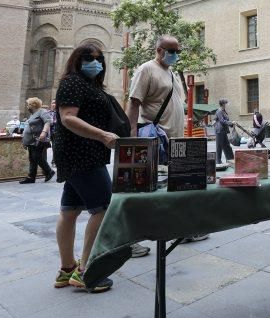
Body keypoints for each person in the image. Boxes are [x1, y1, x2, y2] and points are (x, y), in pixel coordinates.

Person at [52, 43, 118, 293]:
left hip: (80, 153)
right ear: (77, 60)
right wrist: (102, 135)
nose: (96, 62)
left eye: (100, 58)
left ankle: (67, 268)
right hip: (82, 154)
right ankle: (86, 271)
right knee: (104, 207)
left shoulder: (88, 85)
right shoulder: (72, 82)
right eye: (89, 58)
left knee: (70, 211)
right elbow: (68, 117)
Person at [127, 34, 191, 250]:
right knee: (143, 189)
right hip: (156, 138)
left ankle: (180, 230)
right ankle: (131, 239)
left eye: (177, 51)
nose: (174, 55)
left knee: (178, 186)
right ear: (159, 50)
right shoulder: (146, 69)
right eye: (171, 51)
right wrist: (133, 136)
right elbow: (134, 102)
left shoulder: (171, 73)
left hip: (176, 139)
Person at [19, 98, 54, 184]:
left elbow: (48, 121)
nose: (27, 106)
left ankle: (49, 171)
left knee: (36, 157)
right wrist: (24, 141)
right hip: (31, 141)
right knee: (32, 158)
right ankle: (31, 177)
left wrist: (44, 132)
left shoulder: (42, 111)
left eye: (28, 105)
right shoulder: (33, 114)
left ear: (32, 105)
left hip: (39, 139)